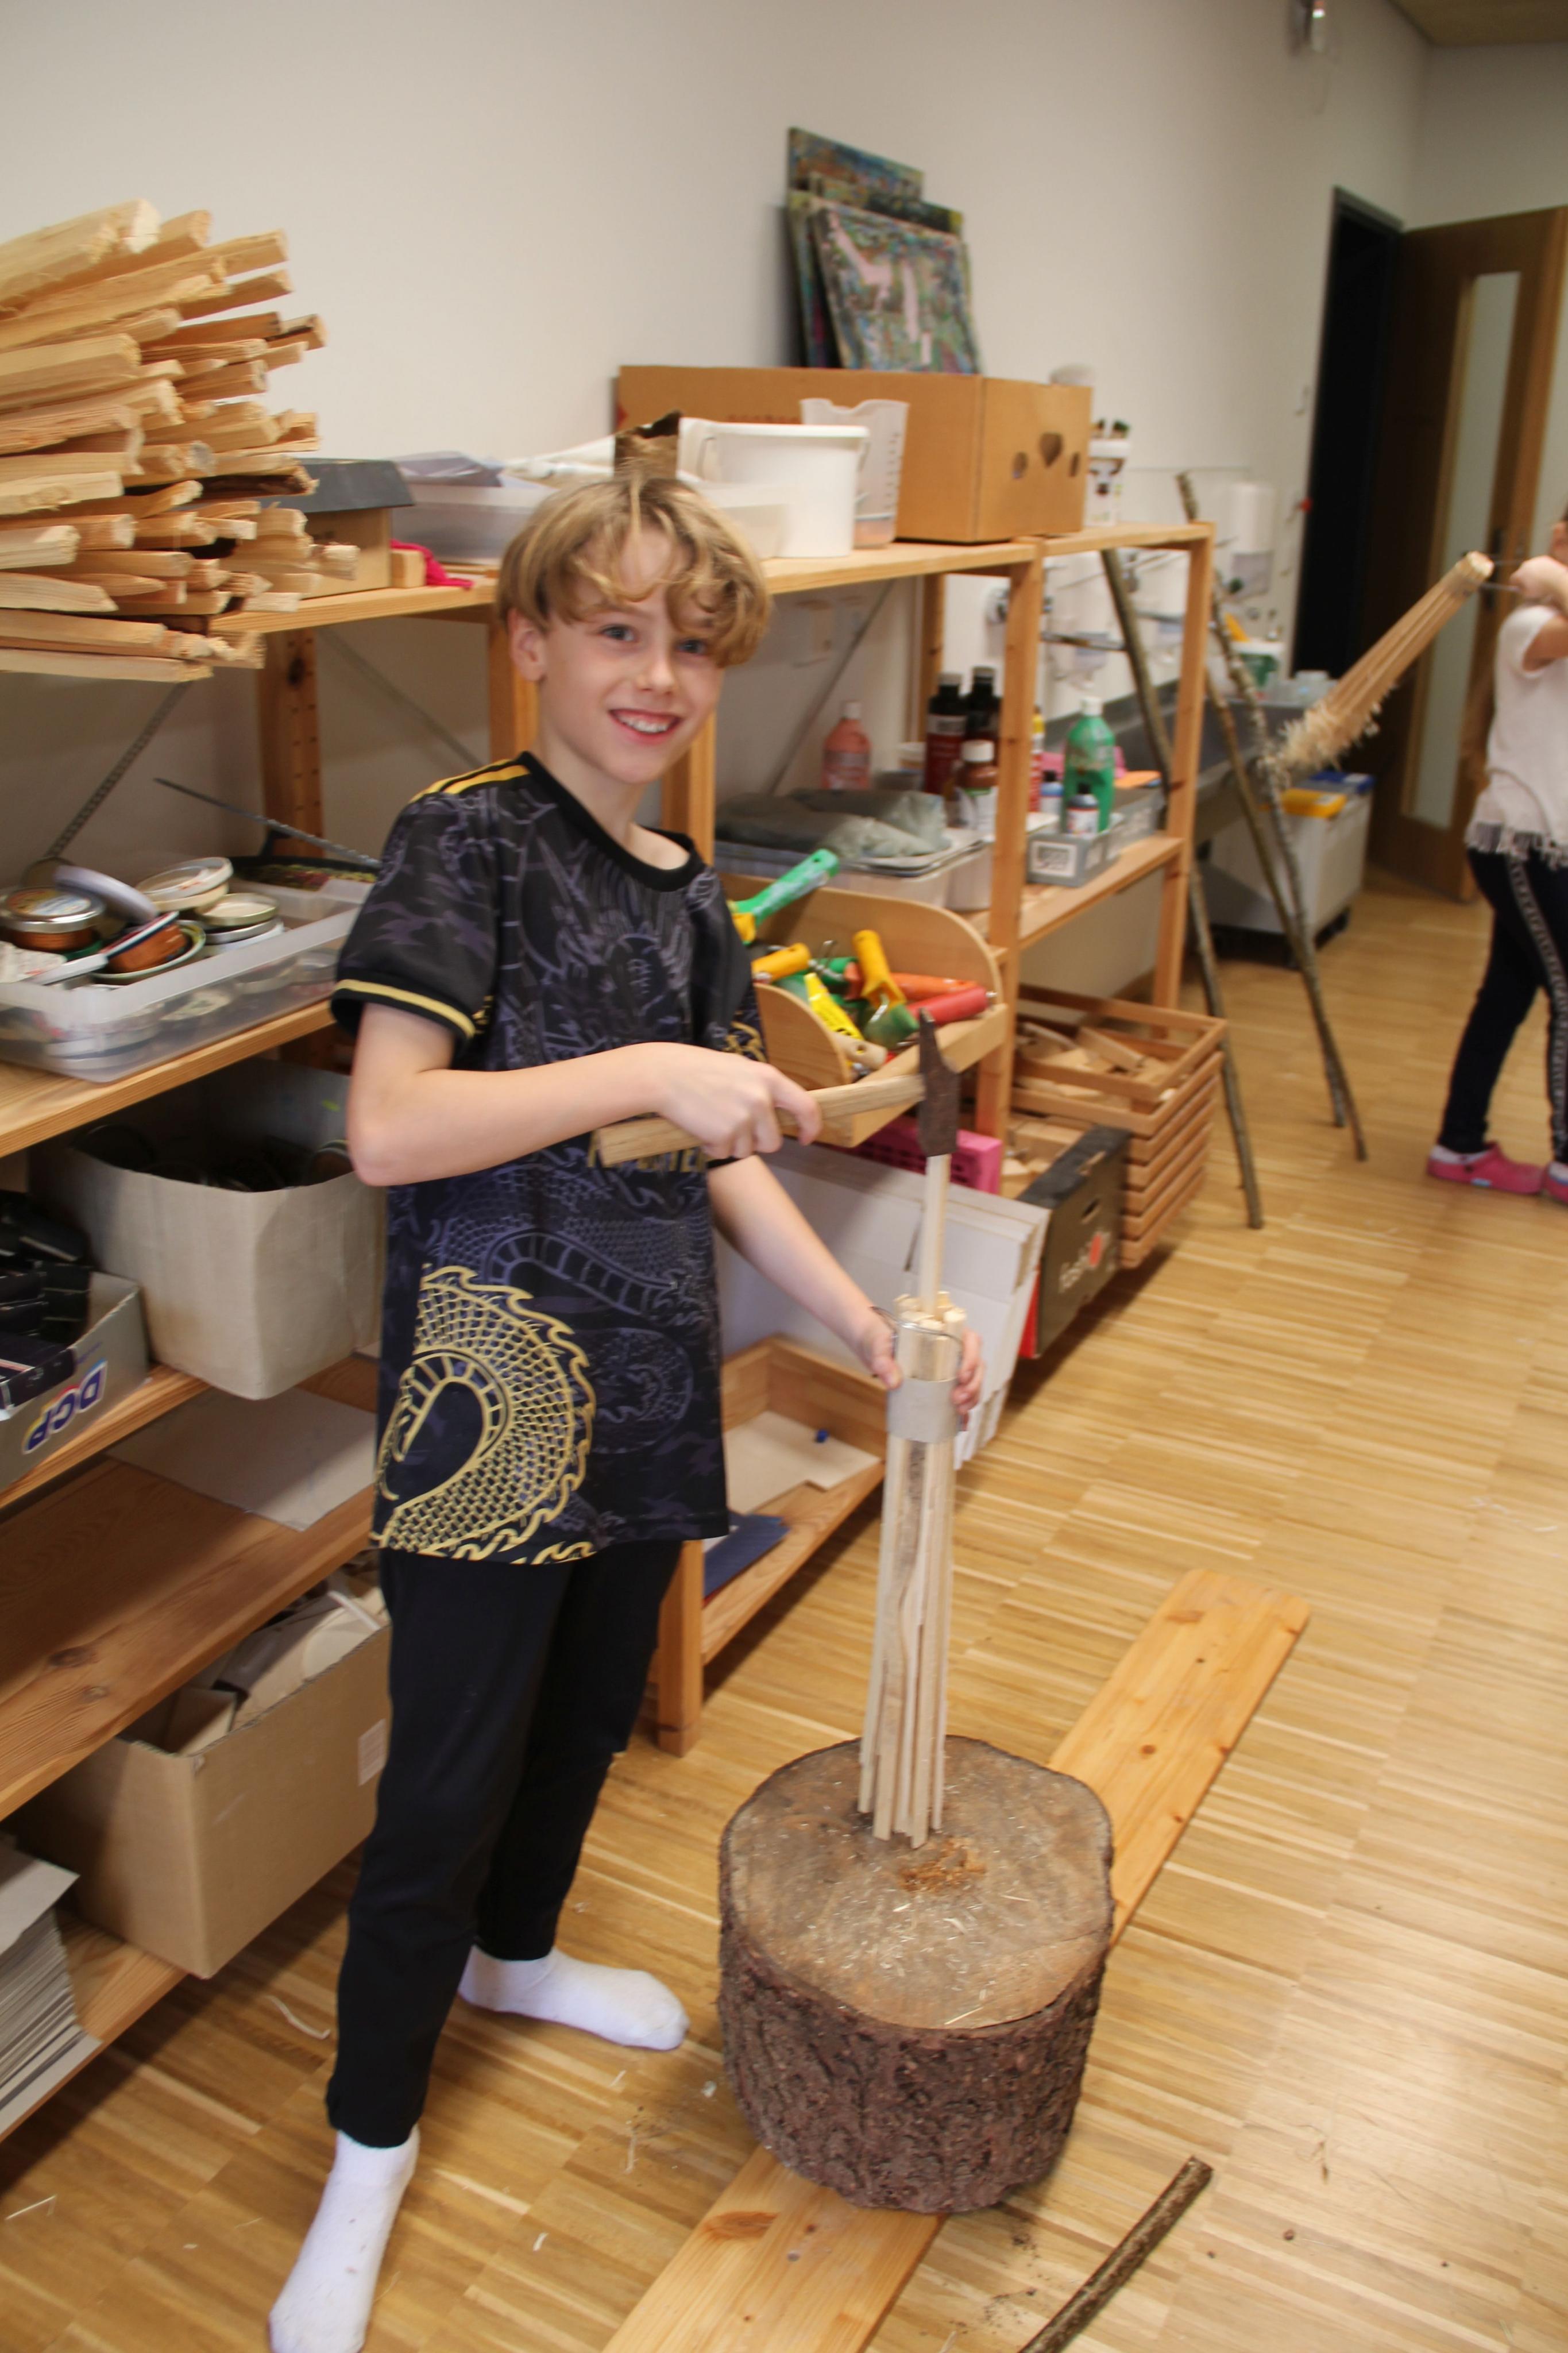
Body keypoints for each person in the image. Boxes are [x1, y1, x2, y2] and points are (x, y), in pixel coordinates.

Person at [269, 473, 982, 2353]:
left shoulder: (693, 894)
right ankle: (365, 2151)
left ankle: (513, 1961)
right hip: (488, 1409)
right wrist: (653, 1062)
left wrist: (864, 1320)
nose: (657, 674)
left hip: (648, 1388)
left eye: (689, 642)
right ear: (530, 643)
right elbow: (388, 1129)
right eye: (614, 630)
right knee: (445, 1785)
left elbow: (728, 1154)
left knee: (587, 1722)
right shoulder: (464, 841)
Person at [1430, 503, 1568, 1199]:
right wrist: (1550, 577)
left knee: (1508, 994)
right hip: (1518, 845)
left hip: (1542, 848)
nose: (1560, 537)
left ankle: (1459, 1147)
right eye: (1561, 531)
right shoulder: (1527, 625)